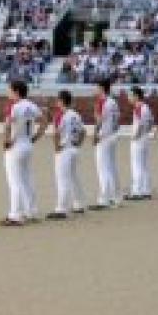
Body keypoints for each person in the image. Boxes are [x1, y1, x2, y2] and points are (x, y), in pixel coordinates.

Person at [0, 80, 45, 227]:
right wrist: (36, 136)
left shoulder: (14, 106)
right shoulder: (32, 105)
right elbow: (44, 121)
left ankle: (15, 215)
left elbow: (8, 125)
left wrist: (7, 140)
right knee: (26, 179)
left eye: (10, 90)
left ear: (17, 92)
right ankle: (31, 211)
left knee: (14, 181)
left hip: (16, 146)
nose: (8, 93)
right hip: (27, 144)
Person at [49, 90, 86, 220]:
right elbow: (83, 132)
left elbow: (56, 133)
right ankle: (79, 204)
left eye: (58, 100)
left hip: (64, 149)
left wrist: (56, 147)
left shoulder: (60, 114)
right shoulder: (76, 114)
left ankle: (61, 208)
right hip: (74, 148)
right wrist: (78, 144)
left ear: (61, 101)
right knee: (74, 177)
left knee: (62, 179)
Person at [92, 79, 122, 209]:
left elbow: (99, 121)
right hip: (112, 136)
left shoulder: (101, 102)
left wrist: (95, 135)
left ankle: (105, 198)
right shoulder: (113, 102)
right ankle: (116, 196)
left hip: (104, 136)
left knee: (103, 168)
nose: (95, 90)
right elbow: (117, 121)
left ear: (102, 88)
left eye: (97, 87)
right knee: (111, 166)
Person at [125, 84, 154, 201]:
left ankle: (137, 191)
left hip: (139, 139)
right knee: (144, 165)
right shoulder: (146, 107)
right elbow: (151, 121)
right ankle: (145, 190)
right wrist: (146, 132)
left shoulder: (139, 107)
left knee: (137, 165)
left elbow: (141, 124)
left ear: (136, 96)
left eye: (130, 95)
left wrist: (136, 135)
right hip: (145, 138)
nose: (129, 98)